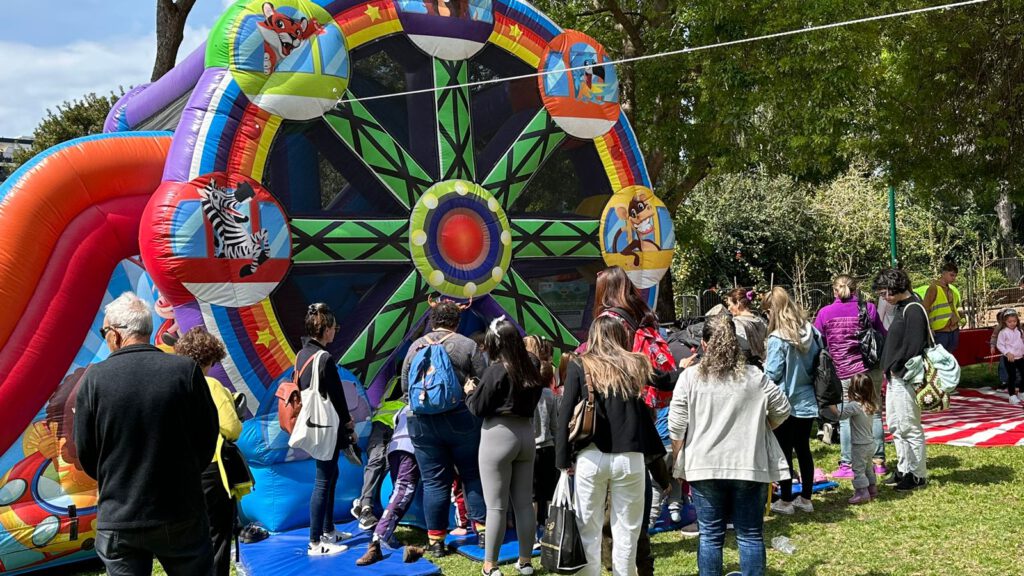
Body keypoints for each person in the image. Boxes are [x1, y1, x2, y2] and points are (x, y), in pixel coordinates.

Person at [74, 292, 219, 575]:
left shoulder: (94, 379)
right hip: (180, 510)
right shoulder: (184, 370)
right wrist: (187, 475)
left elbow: (86, 451)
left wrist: (117, 479)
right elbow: (207, 436)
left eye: (105, 332)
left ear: (115, 335)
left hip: (120, 513)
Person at [668, 315, 791, 576]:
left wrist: (678, 457)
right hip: (748, 464)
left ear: (703, 344)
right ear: (734, 344)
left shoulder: (689, 378)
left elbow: (677, 426)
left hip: (704, 466)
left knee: (711, 536)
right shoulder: (754, 376)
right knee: (750, 535)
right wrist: (760, 427)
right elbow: (782, 409)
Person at [554, 316, 676, 576]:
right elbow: (666, 381)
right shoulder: (636, 363)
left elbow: (564, 413)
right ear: (621, 336)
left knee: (588, 529)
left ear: (594, 336)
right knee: (627, 532)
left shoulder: (580, 364)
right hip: (630, 458)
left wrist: (563, 460)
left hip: (590, 456)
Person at [400, 298, 487, 557]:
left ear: (432, 321)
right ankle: (482, 532)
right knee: (472, 474)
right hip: (461, 419)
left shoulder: (415, 347)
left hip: (422, 423)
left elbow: (406, 388)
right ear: (456, 323)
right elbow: (482, 382)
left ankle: (436, 541)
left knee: (434, 482)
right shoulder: (467, 345)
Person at [467, 319, 546, 576]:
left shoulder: (496, 370)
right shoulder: (533, 366)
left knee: (496, 506)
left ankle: (490, 565)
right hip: (526, 434)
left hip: (498, 435)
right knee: (524, 503)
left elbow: (478, 408)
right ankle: (525, 562)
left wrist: (470, 392)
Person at [174, 328, 243, 576]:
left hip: (182, 471)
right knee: (218, 537)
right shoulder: (212, 385)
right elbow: (232, 428)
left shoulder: (174, 385)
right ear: (211, 358)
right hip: (212, 469)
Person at [813, 275, 888, 480]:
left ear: (834, 290)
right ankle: (878, 462)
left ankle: (847, 463)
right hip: (869, 369)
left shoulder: (825, 313)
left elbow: (819, 341)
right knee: (874, 412)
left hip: (842, 371)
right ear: (855, 289)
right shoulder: (869, 308)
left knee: (845, 419)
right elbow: (882, 333)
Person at [297, 303, 356, 556]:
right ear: (326, 329)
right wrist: (348, 423)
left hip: (314, 424)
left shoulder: (303, 354)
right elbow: (337, 396)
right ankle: (315, 542)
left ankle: (328, 530)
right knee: (323, 481)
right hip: (326, 426)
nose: (335, 332)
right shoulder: (325, 358)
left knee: (330, 476)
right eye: (334, 328)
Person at [762, 286, 821, 515]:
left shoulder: (778, 338)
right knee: (803, 449)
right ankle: (806, 498)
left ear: (773, 310)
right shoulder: (811, 331)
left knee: (784, 451)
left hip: (783, 401)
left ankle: (786, 500)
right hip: (807, 398)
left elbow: (773, 374)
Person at [874, 268, 930, 491]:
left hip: (905, 378)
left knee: (909, 426)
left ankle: (917, 475)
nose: (883, 298)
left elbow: (915, 345)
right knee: (897, 426)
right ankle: (904, 469)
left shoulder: (913, 308)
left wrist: (898, 368)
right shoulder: (901, 307)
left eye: (884, 292)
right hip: (895, 377)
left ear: (894, 287)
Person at [356, 405, 426, 566]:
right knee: (403, 492)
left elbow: (396, 422)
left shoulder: (405, 407)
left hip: (395, 448)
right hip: (409, 450)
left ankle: (385, 532)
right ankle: (377, 540)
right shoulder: (427, 404)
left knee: (398, 492)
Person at [351, 374, 405, 531]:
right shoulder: (400, 380)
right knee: (377, 459)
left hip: (397, 426)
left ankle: (363, 503)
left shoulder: (399, 380)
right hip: (383, 424)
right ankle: (366, 506)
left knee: (387, 462)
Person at [524, 336, 559, 538]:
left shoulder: (526, 393)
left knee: (532, 495)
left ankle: (532, 532)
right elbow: (554, 425)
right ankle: (549, 527)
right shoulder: (550, 395)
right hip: (549, 447)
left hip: (531, 448)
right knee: (548, 492)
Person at [830, 373, 881, 505]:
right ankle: (872, 488)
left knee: (858, 469)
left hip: (859, 445)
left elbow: (839, 416)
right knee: (868, 467)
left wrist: (831, 406)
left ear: (852, 389)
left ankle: (862, 492)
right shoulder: (871, 404)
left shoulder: (854, 406)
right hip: (870, 443)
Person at [917, 262, 963, 353]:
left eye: (955, 276)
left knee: (949, 356)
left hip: (953, 329)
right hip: (939, 331)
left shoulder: (950, 289)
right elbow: (925, 308)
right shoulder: (933, 288)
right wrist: (929, 328)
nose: (954, 278)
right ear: (943, 274)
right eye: (952, 275)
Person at [725, 288, 768, 366]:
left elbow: (742, 348)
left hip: (746, 367)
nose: (728, 309)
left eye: (729, 305)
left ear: (737, 304)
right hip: (762, 365)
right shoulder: (761, 321)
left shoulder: (737, 323)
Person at [995, 308, 1024, 405]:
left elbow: (1021, 342)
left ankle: (1021, 392)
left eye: (1014, 321)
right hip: (1010, 358)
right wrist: (1007, 353)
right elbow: (1000, 345)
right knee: (1012, 376)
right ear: (1004, 322)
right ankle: (1012, 396)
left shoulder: (1019, 331)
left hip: (1020, 357)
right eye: (1009, 322)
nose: (1012, 323)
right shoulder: (1003, 332)